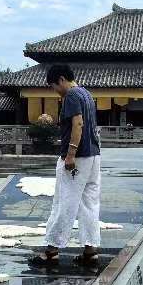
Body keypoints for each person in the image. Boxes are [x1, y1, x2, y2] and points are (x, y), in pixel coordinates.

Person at [32, 64, 101, 268]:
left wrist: (70, 154)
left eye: (53, 85)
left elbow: (78, 124)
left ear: (61, 79)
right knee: (89, 204)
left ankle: (52, 251)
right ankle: (90, 251)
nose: (54, 90)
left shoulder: (71, 96)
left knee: (64, 201)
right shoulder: (86, 94)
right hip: (93, 156)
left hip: (77, 157)